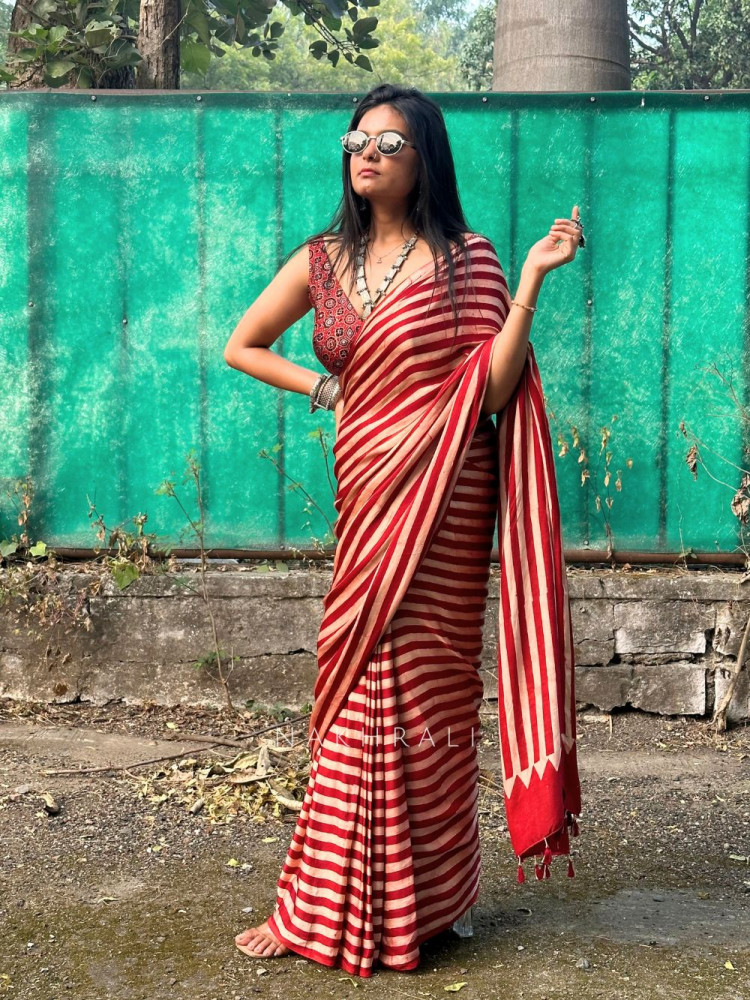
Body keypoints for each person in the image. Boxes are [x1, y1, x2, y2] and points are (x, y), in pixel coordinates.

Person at [223, 82, 583, 979]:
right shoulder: (321, 261)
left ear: (425, 157)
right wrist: (323, 387)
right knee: (354, 694)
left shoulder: (471, 260)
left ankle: (434, 900)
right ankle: (317, 903)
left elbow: (492, 393)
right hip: (370, 500)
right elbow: (243, 342)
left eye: (388, 140)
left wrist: (532, 280)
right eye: (356, 139)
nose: (366, 152)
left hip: (448, 509)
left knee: (431, 699)